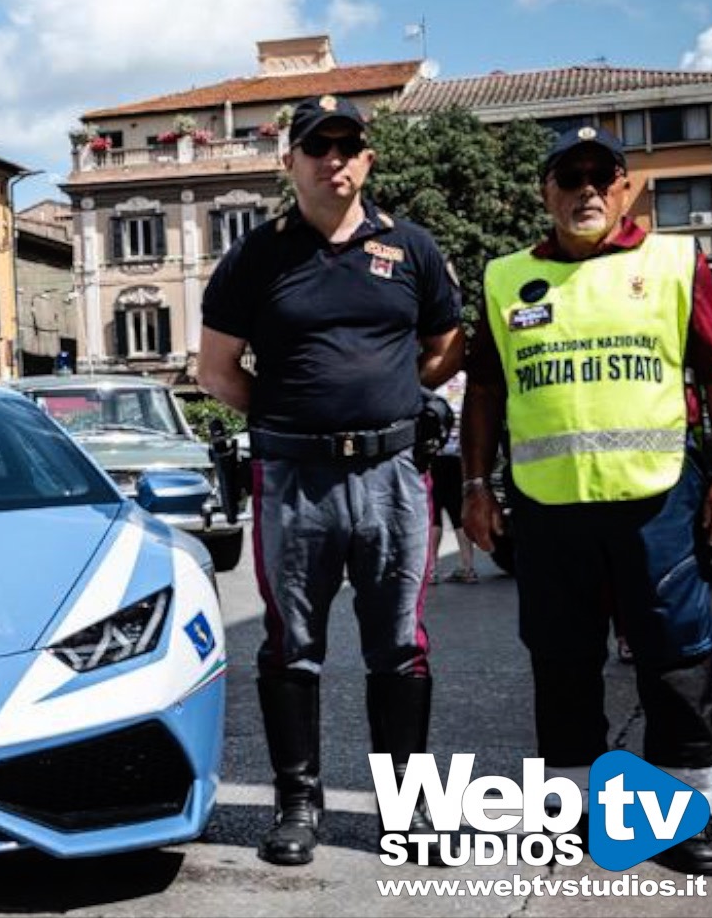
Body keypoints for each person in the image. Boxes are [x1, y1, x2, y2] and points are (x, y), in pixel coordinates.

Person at [461, 125, 712, 876]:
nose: (586, 190)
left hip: (654, 505)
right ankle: (580, 810)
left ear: (625, 188)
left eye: (602, 176)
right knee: (561, 662)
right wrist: (475, 487)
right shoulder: (504, 278)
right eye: (570, 177)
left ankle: (684, 815)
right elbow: (484, 391)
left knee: (674, 659)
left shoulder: (674, 261)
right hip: (549, 510)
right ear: (546, 191)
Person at [197, 95, 462, 867]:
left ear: (367, 160)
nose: (333, 159)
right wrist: (291, 416)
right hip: (294, 478)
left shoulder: (409, 248)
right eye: (318, 146)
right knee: (290, 645)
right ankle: (298, 804)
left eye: (348, 146)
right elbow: (217, 373)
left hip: (392, 475)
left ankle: (409, 815)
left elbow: (447, 345)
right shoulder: (255, 257)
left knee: (400, 648)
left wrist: (394, 397)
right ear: (291, 163)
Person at [432, 371, 479, 583]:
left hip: (436, 454)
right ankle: (468, 567)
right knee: (457, 511)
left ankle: (430, 569)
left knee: (434, 513)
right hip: (460, 457)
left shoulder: (435, 380)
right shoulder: (464, 380)